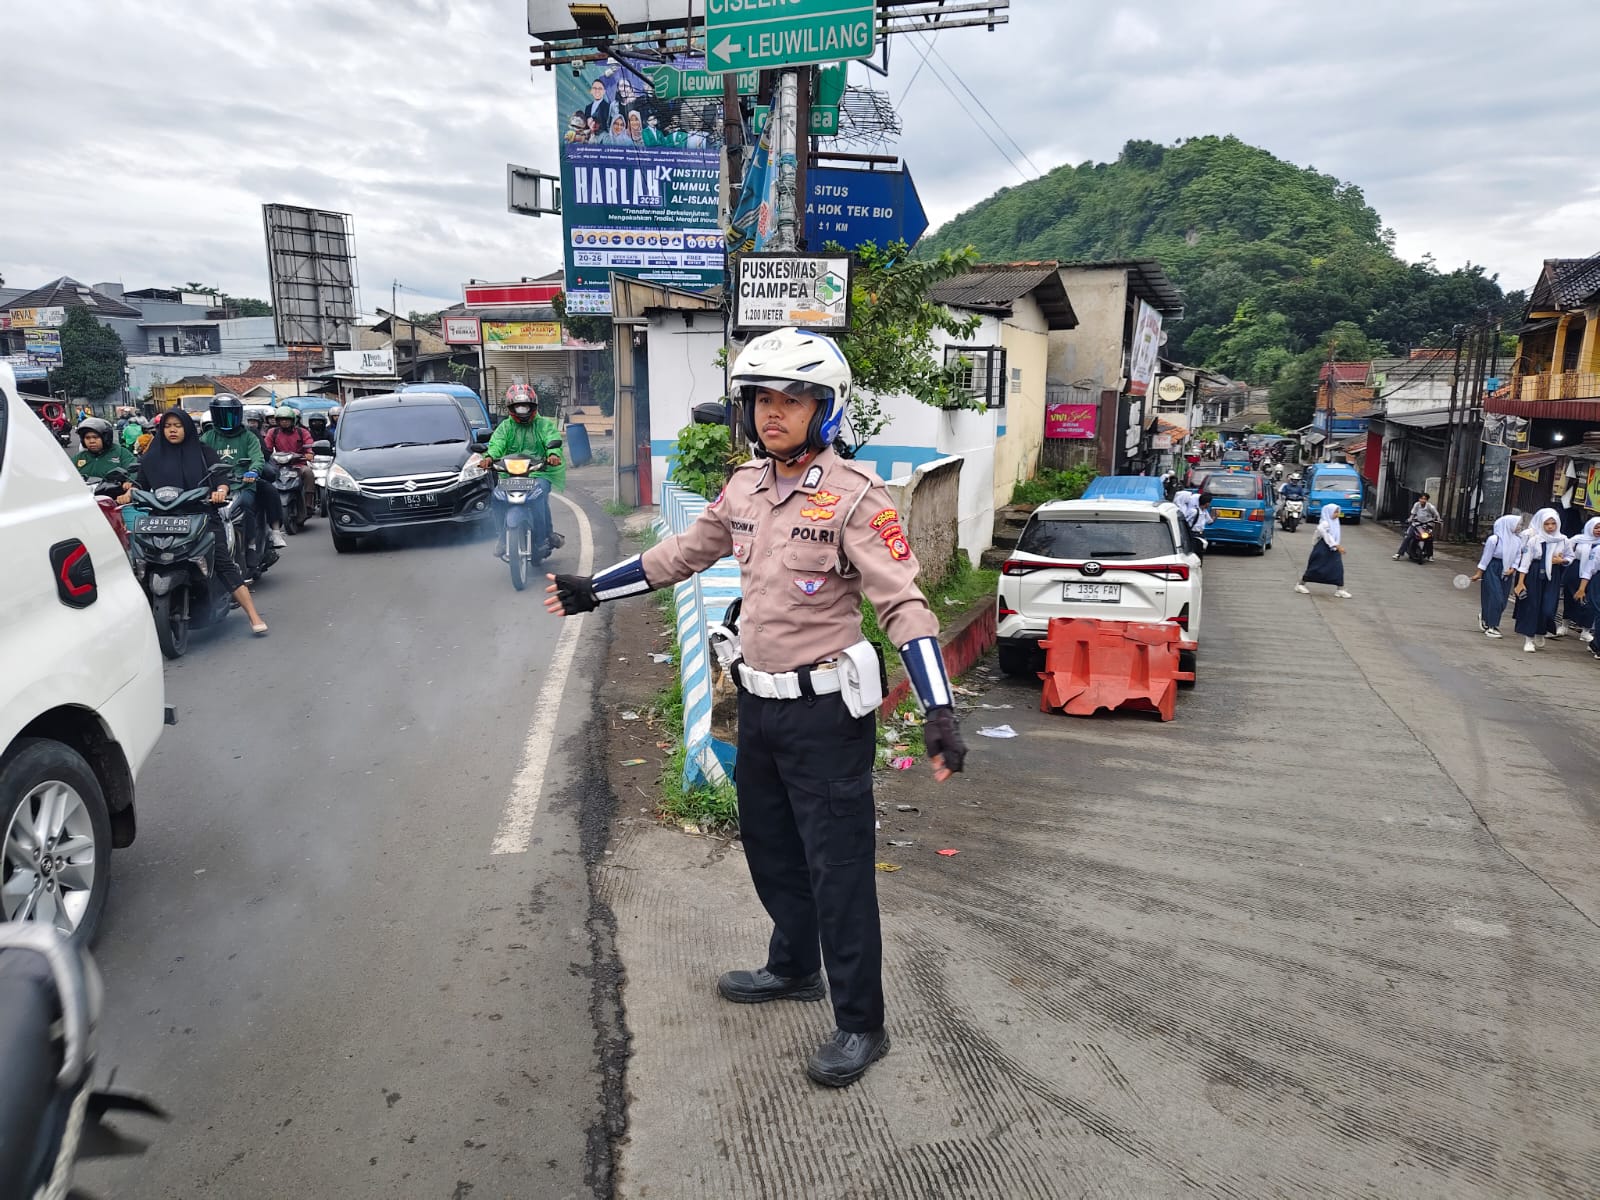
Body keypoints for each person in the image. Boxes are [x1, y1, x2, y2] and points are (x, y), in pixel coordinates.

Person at [542, 328, 969, 1088]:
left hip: (829, 717)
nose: (774, 414)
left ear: (824, 410)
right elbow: (682, 556)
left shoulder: (857, 500)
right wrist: (592, 589)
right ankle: (794, 967)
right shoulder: (742, 488)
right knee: (770, 850)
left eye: (793, 400)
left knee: (838, 871)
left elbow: (903, 604)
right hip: (760, 708)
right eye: (763, 399)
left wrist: (939, 707)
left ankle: (861, 1024)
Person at [119, 409, 267, 634]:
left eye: (177, 426)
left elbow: (221, 479)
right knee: (138, 561)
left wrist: (220, 490)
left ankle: (253, 615)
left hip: (201, 515)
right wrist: (130, 492)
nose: (172, 430)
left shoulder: (203, 452)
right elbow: (141, 482)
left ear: (187, 428)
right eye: (168, 426)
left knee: (222, 562)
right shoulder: (152, 455)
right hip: (161, 519)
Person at [479, 383, 566, 561]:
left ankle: (545, 536)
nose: (522, 411)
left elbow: (552, 438)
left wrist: (552, 454)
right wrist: (489, 457)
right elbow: (497, 444)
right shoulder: (505, 427)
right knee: (497, 498)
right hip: (509, 473)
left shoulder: (543, 424)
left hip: (538, 472)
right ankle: (502, 539)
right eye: (518, 407)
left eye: (526, 406)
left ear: (533, 407)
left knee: (539, 495)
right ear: (511, 408)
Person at [200, 394, 282, 553]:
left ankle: (251, 544)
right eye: (221, 415)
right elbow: (197, 459)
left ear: (237, 414)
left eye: (229, 414)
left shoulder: (248, 436)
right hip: (216, 487)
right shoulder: (207, 437)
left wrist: (252, 471)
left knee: (246, 505)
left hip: (244, 484)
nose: (226, 419)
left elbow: (258, 458)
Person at [1512, 508, 1568, 653]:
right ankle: (1529, 639)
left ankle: (1540, 631)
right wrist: (1520, 582)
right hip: (1534, 573)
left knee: (1548, 609)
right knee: (1532, 606)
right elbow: (1525, 562)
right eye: (1547, 524)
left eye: (1553, 524)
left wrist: (1561, 560)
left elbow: (1570, 557)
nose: (1550, 527)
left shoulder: (1563, 540)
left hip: (1552, 575)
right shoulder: (1534, 540)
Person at [1469, 513, 1527, 640]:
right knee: (1496, 597)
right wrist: (1479, 573)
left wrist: (1513, 568)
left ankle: (1485, 616)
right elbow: (1486, 557)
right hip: (1493, 568)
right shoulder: (1494, 539)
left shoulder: (1517, 540)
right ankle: (1492, 627)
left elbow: (1518, 556)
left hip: (1507, 570)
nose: (1519, 527)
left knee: (1503, 600)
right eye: (1517, 524)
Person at [262, 404, 317, 515]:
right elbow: (267, 447)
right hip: (279, 465)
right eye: (281, 420)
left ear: (293, 420)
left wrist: (309, 453)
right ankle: (267, 505)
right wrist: (263, 455)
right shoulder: (273, 432)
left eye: (287, 420)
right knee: (264, 475)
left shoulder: (302, 432)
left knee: (308, 473)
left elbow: (309, 444)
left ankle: (308, 503)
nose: (284, 422)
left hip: (298, 464)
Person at [1295, 503, 1351, 597]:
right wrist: (1336, 546)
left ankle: (1340, 589)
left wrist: (1336, 546)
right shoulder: (1324, 523)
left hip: (1333, 549)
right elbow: (1326, 536)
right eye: (1335, 512)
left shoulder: (1335, 522)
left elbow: (1335, 536)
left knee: (1338, 568)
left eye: (1338, 512)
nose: (1337, 514)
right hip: (1322, 548)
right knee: (1315, 567)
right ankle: (1300, 584)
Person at [1565, 516, 1600, 645]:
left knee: (1590, 602)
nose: (1598, 530)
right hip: (1575, 569)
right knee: (1571, 597)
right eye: (1596, 527)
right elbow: (1566, 552)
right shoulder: (1578, 539)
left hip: (1593, 573)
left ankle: (1586, 630)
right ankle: (1565, 624)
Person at [72, 417, 138, 481]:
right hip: (85, 491)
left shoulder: (121, 453)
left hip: (114, 491)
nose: (91, 441)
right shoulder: (79, 457)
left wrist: (129, 483)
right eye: (87, 438)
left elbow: (134, 472)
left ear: (106, 438)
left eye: (95, 437)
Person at [1394, 492, 1441, 560]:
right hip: (1416, 524)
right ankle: (1399, 554)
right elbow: (1413, 513)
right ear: (1419, 499)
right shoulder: (1416, 505)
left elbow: (1436, 515)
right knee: (1408, 537)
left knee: (1430, 539)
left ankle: (1430, 555)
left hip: (1427, 525)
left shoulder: (1430, 507)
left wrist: (1438, 520)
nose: (1422, 500)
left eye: (1424, 499)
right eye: (1421, 498)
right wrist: (1410, 519)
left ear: (1427, 500)